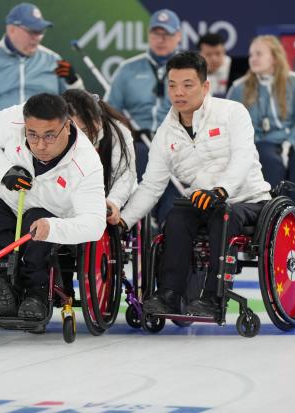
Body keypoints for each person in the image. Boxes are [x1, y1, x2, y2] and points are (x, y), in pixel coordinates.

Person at [115, 52, 271, 317]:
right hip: (202, 203)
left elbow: (243, 158)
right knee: (175, 217)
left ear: (205, 86)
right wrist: (124, 221)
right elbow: (151, 186)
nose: (179, 92)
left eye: (187, 85)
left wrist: (222, 190)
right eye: (172, 85)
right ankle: (169, 295)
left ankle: (213, 297)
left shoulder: (233, 112)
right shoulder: (165, 134)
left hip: (248, 200)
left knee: (224, 215)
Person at [0, 93, 105, 322]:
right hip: (9, 199)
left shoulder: (86, 163)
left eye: (50, 136)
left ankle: (37, 292)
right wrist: (5, 171)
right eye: (32, 135)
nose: (40, 145)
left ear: (68, 126)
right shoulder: (16, 118)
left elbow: (95, 224)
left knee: (37, 226)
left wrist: (53, 228)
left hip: (48, 215)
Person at [226, 35, 295, 216]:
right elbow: (232, 125)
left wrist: (290, 143)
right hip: (264, 141)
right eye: (250, 55)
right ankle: (273, 217)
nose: (252, 59)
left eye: (258, 54)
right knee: (267, 158)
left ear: (274, 57)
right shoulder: (239, 88)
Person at [104, 8, 182, 223]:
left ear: (179, 36)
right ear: (149, 35)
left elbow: (202, 111)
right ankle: (138, 227)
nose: (161, 39)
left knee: (178, 176)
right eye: (156, 33)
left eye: (167, 34)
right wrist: (128, 127)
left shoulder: (189, 69)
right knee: (134, 155)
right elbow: (109, 112)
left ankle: (168, 228)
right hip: (139, 141)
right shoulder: (127, 69)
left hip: (177, 141)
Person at [0, 2, 83, 128]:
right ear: (11, 30)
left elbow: (80, 107)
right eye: (32, 32)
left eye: (41, 32)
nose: (38, 38)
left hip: (44, 140)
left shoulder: (53, 59)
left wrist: (73, 82)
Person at [62, 89, 136, 226]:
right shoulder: (58, 133)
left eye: (85, 130)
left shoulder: (119, 134)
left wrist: (113, 202)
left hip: (111, 193)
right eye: (75, 130)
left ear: (98, 119)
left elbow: (125, 175)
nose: (83, 137)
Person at [197, 32, 248, 98]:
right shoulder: (193, 70)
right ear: (199, 54)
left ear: (224, 51)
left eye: (218, 53)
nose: (214, 59)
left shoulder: (239, 68)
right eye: (208, 54)